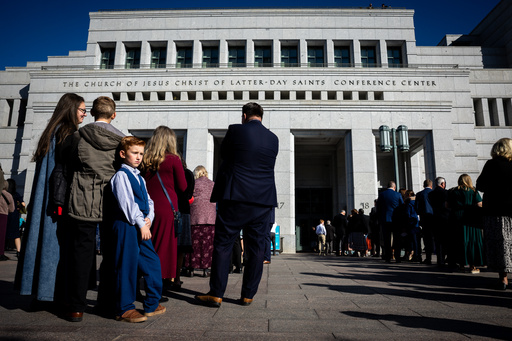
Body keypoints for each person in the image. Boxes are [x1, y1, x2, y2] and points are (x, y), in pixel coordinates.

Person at [195, 102, 278, 307]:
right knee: (257, 247)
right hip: (262, 199)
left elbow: (226, 155)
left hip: (235, 196)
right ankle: (248, 294)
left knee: (223, 244)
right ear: (262, 116)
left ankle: (216, 293)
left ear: (244, 115)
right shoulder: (273, 138)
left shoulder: (235, 130)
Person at [15, 93, 86, 307]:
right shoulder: (68, 131)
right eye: (82, 109)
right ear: (71, 109)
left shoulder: (51, 131)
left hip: (45, 195)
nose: (84, 114)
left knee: (40, 240)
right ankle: (48, 293)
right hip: (58, 197)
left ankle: (37, 291)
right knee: (54, 243)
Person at [66, 96, 124, 322]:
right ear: (114, 115)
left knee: (81, 253)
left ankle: (76, 307)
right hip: (111, 200)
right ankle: (106, 303)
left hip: (82, 197)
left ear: (91, 113)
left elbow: (69, 165)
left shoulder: (78, 136)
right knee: (110, 254)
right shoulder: (122, 141)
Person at [110, 136, 165, 323]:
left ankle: (152, 302)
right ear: (123, 154)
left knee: (152, 262)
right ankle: (124, 308)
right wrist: (141, 223)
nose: (139, 157)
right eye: (135, 153)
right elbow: (127, 203)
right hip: (127, 224)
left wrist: (149, 218)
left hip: (142, 224)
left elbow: (149, 201)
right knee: (127, 265)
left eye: (141, 153)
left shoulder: (139, 177)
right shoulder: (121, 175)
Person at [141, 126, 187, 288]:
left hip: (147, 207)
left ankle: (145, 277)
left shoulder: (145, 159)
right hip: (167, 209)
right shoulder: (173, 159)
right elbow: (183, 186)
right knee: (164, 247)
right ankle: (156, 284)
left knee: (148, 244)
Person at [476, 138, 512, 290]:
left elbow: (480, 185)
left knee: (500, 245)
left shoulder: (491, 165)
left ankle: (503, 279)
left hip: (495, 212)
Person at [448, 174, 484, 273]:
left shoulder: (453, 191)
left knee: (460, 241)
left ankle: (461, 265)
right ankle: (472, 266)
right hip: (471, 218)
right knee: (473, 240)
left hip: (457, 218)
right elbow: (479, 204)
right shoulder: (473, 191)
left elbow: (447, 205)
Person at [186, 165, 216, 277]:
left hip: (195, 218)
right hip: (210, 219)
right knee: (208, 245)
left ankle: (191, 268)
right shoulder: (213, 184)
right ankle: (206, 269)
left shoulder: (194, 184)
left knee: (194, 244)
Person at [175, 158, 195, 286]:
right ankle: (176, 277)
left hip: (171, 210)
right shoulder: (188, 173)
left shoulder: (166, 171)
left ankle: (167, 277)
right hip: (183, 210)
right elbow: (189, 194)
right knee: (180, 249)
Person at [377, 181, 404, 263]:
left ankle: (388, 256)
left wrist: (380, 219)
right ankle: (397, 256)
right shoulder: (398, 195)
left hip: (385, 219)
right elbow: (402, 207)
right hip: (396, 220)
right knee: (397, 239)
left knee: (387, 239)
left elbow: (379, 208)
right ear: (394, 187)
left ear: (386, 186)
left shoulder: (382, 195)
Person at [429, 177, 451, 267]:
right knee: (446, 240)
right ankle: (447, 258)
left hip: (435, 219)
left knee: (438, 241)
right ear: (443, 184)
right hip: (445, 219)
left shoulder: (431, 194)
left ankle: (440, 259)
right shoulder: (446, 193)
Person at [416, 179, 434, 264]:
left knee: (427, 239)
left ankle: (428, 257)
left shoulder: (419, 194)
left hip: (424, 219)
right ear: (431, 185)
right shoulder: (434, 193)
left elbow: (417, 208)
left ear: (423, 185)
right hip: (434, 218)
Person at [5, 179, 25, 256]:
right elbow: (23, 204)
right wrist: (19, 207)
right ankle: (19, 251)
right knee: (16, 234)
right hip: (14, 215)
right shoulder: (16, 194)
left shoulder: (4, 194)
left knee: (4, 231)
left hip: (5, 213)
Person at [0, 177, 15, 260]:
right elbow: (12, 209)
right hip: (3, 215)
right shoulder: (8, 195)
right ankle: (1, 253)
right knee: (2, 235)